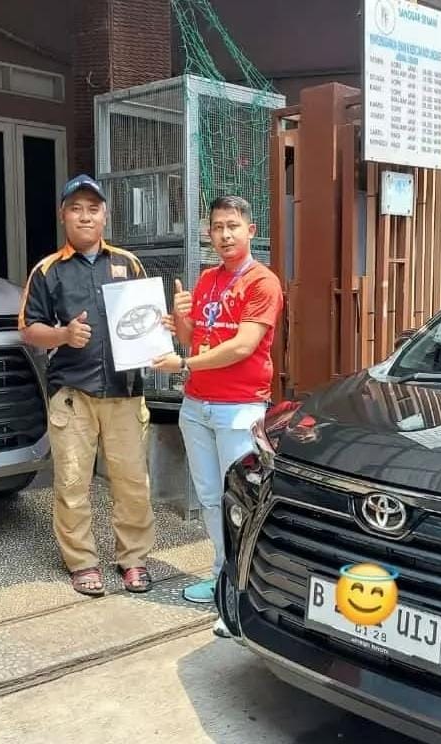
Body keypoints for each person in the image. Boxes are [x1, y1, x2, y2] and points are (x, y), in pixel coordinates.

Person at [151, 195, 284, 634]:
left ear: (250, 230)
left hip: (239, 409)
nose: (225, 235)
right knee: (211, 499)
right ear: (208, 234)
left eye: (233, 226)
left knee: (241, 503)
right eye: (217, 227)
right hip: (197, 406)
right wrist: (179, 320)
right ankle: (221, 576)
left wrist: (183, 364)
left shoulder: (263, 282)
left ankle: (243, 597)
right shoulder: (208, 279)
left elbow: (243, 346)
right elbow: (194, 339)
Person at [19, 174, 155, 596]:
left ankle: (133, 559)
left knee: (132, 482)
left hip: (124, 392)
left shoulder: (129, 264)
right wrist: (62, 335)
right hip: (73, 395)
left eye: (92, 209)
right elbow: (28, 329)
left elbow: (147, 320)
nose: (84, 216)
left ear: (105, 215)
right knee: (73, 483)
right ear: (63, 216)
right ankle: (82, 562)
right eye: (75, 209)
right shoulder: (48, 271)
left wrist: (162, 332)